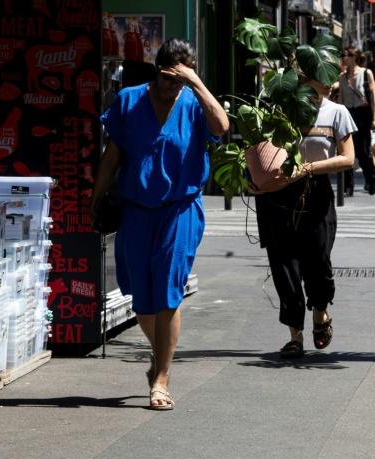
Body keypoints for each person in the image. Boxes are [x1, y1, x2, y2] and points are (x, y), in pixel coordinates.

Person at [90, 38, 229, 410]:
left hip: (179, 209)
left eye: (181, 80)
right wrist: (94, 197)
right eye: (170, 78)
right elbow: (112, 155)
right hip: (136, 209)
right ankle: (161, 357)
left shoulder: (194, 103)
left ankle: (162, 377)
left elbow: (222, 126)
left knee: (168, 290)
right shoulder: (130, 100)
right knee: (141, 297)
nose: (174, 87)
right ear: (157, 71)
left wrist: (196, 83)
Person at [253, 77, 355, 359]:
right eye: (322, 76)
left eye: (332, 75)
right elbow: (257, 149)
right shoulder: (280, 108)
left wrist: (307, 168)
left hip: (316, 191)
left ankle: (320, 312)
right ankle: (295, 335)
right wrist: (253, 178)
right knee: (284, 264)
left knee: (318, 260)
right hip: (278, 193)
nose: (331, 82)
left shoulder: (337, 112)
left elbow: (347, 159)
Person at [336, 47, 375, 195]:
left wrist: (374, 117)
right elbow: (340, 101)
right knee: (345, 149)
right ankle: (348, 186)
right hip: (348, 113)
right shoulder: (342, 77)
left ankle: (371, 181)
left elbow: (373, 96)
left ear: (353, 57)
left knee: (363, 151)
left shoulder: (366, 73)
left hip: (363, 114)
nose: (343, 58)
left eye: (345, 55)